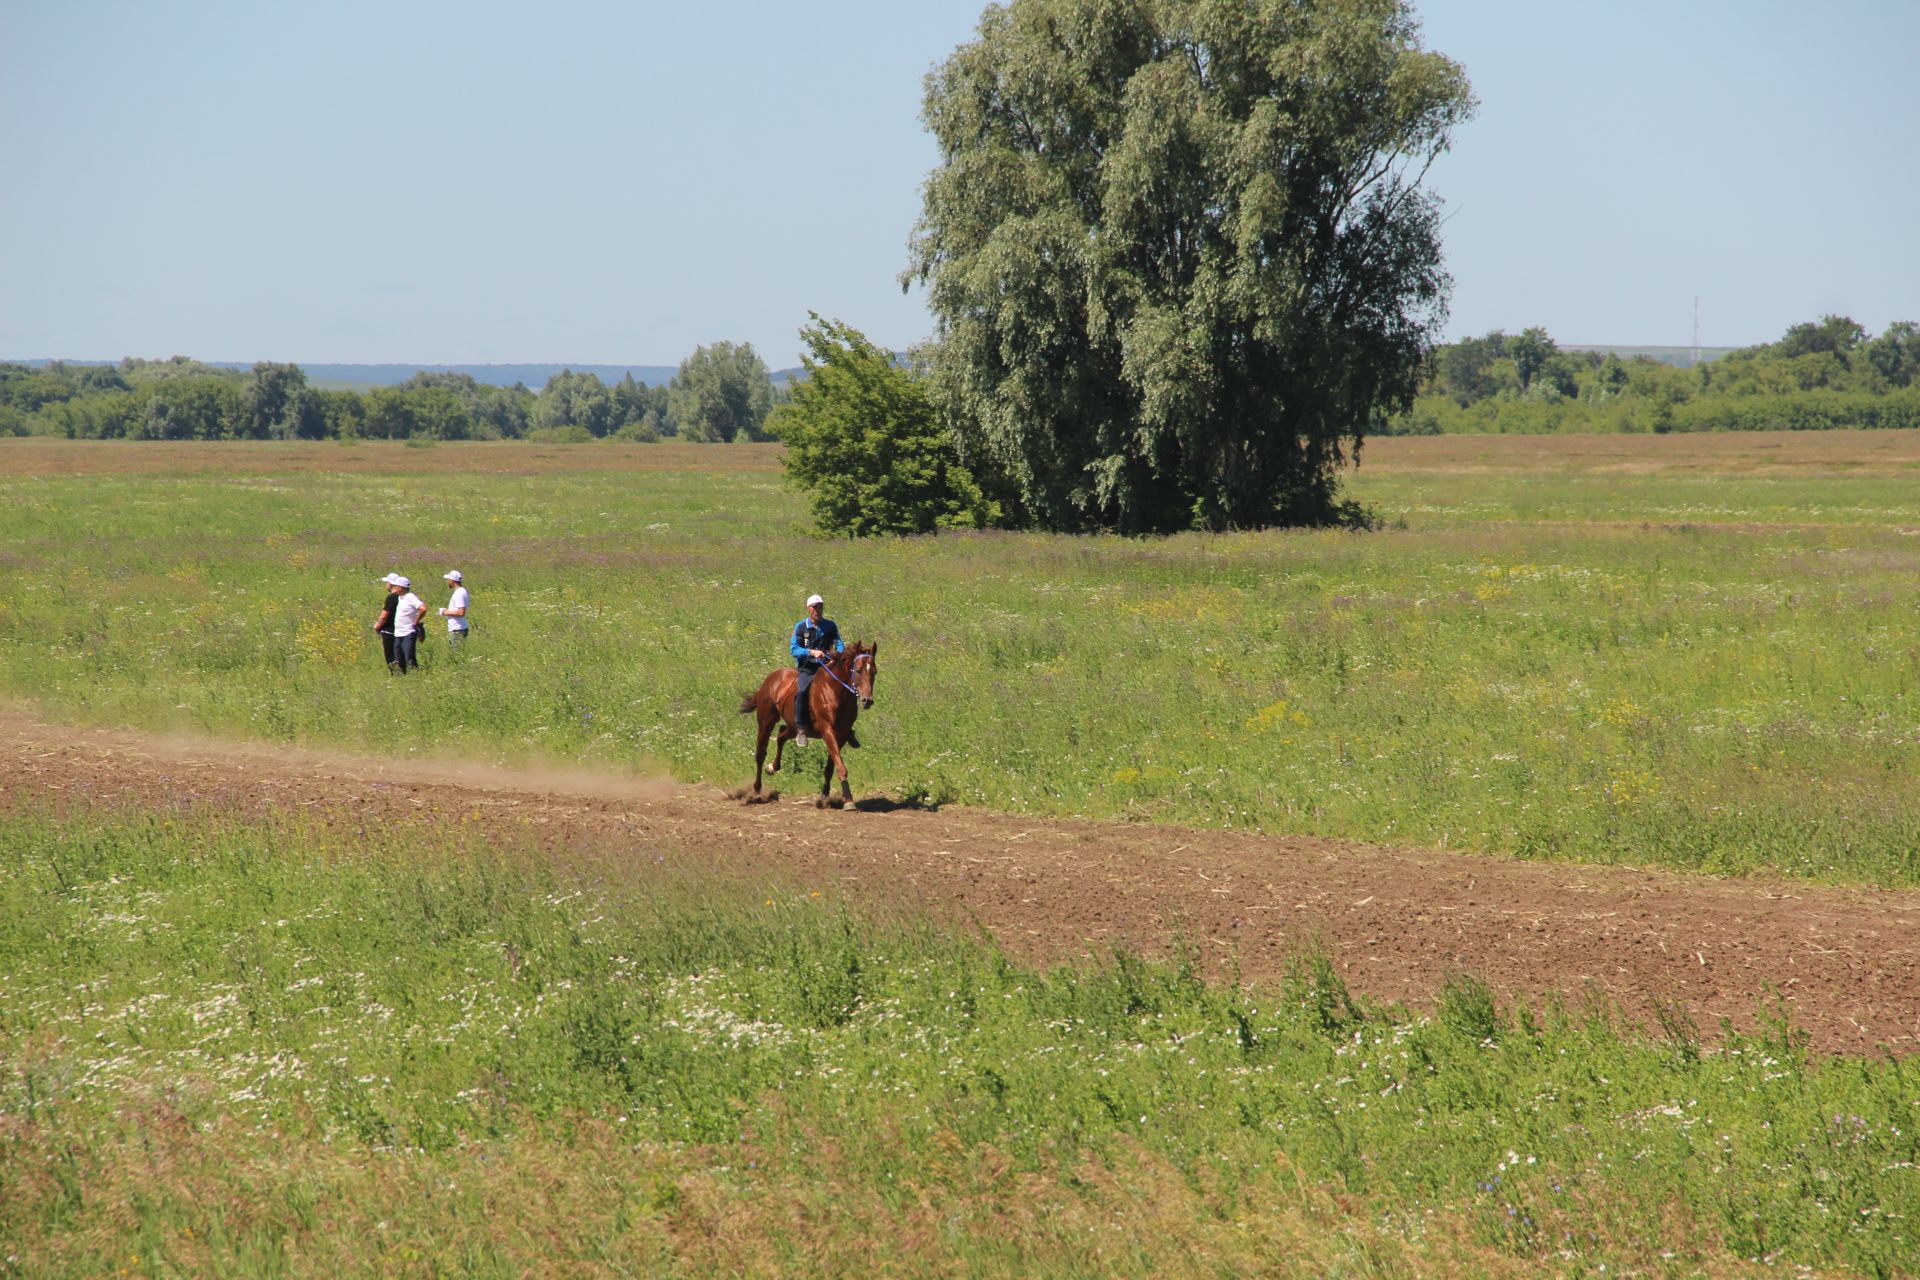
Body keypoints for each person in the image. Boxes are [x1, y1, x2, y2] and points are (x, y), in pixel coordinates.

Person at [789, 592, 842, 744]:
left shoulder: (830, 626)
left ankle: (846, 728)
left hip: (827, 668)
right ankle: (800, 728)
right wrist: (811, 652)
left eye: (820, 607)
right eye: (814, 607)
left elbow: (839, 643)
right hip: (808, 668)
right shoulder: (801, 627)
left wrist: (837, 654)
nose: (817, 610)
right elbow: (794, 649)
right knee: (802, 691)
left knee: (845, 689)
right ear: (808, 609)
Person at [390, 576, 429, 674]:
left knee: (409, 658)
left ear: (401, 587)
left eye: (396, 586)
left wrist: (416, 621)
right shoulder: (400, 597)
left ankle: (416, 676)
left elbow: (423, 608)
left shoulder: (410, 597)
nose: (394, 587)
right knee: (398, 658)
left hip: (408, 633)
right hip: (398, 633)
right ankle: (403, 677)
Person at [373, 573, 404, 669]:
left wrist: (378, 625)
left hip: (389, 630)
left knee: (390, 656)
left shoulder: (391, 597)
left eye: (387, 582)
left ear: (391, 584)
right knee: (400, 654)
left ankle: (394, 674)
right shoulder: (403, 597)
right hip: (401, 630)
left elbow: (384, 615)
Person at [437, 569, 470, 650]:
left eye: (448, 579)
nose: (447, 581)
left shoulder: (459, 593)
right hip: (459, 628)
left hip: (458, 630)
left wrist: (445, 612)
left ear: (452, 581)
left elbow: (461, 612)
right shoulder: (462, 591)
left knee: (457, 654)